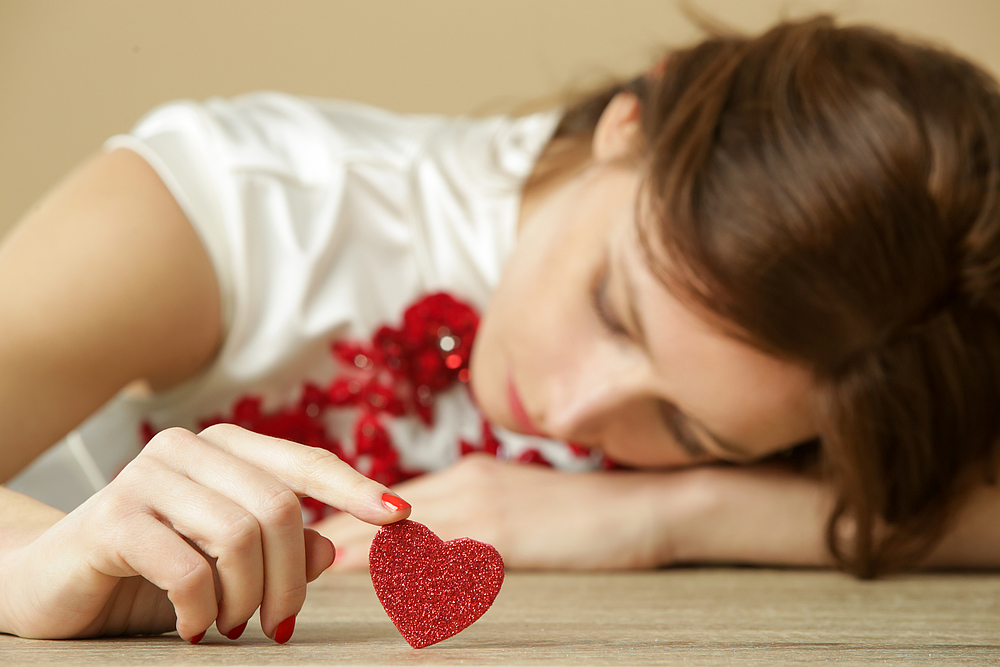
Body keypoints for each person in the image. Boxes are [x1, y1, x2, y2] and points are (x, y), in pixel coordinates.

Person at [2, 14, 999, 643]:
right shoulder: (236, 205)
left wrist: (672, 513)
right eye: (616, 309)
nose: (569, 409)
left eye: (693, 429)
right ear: (628, 122)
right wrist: (31, 565)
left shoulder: (876, 346)